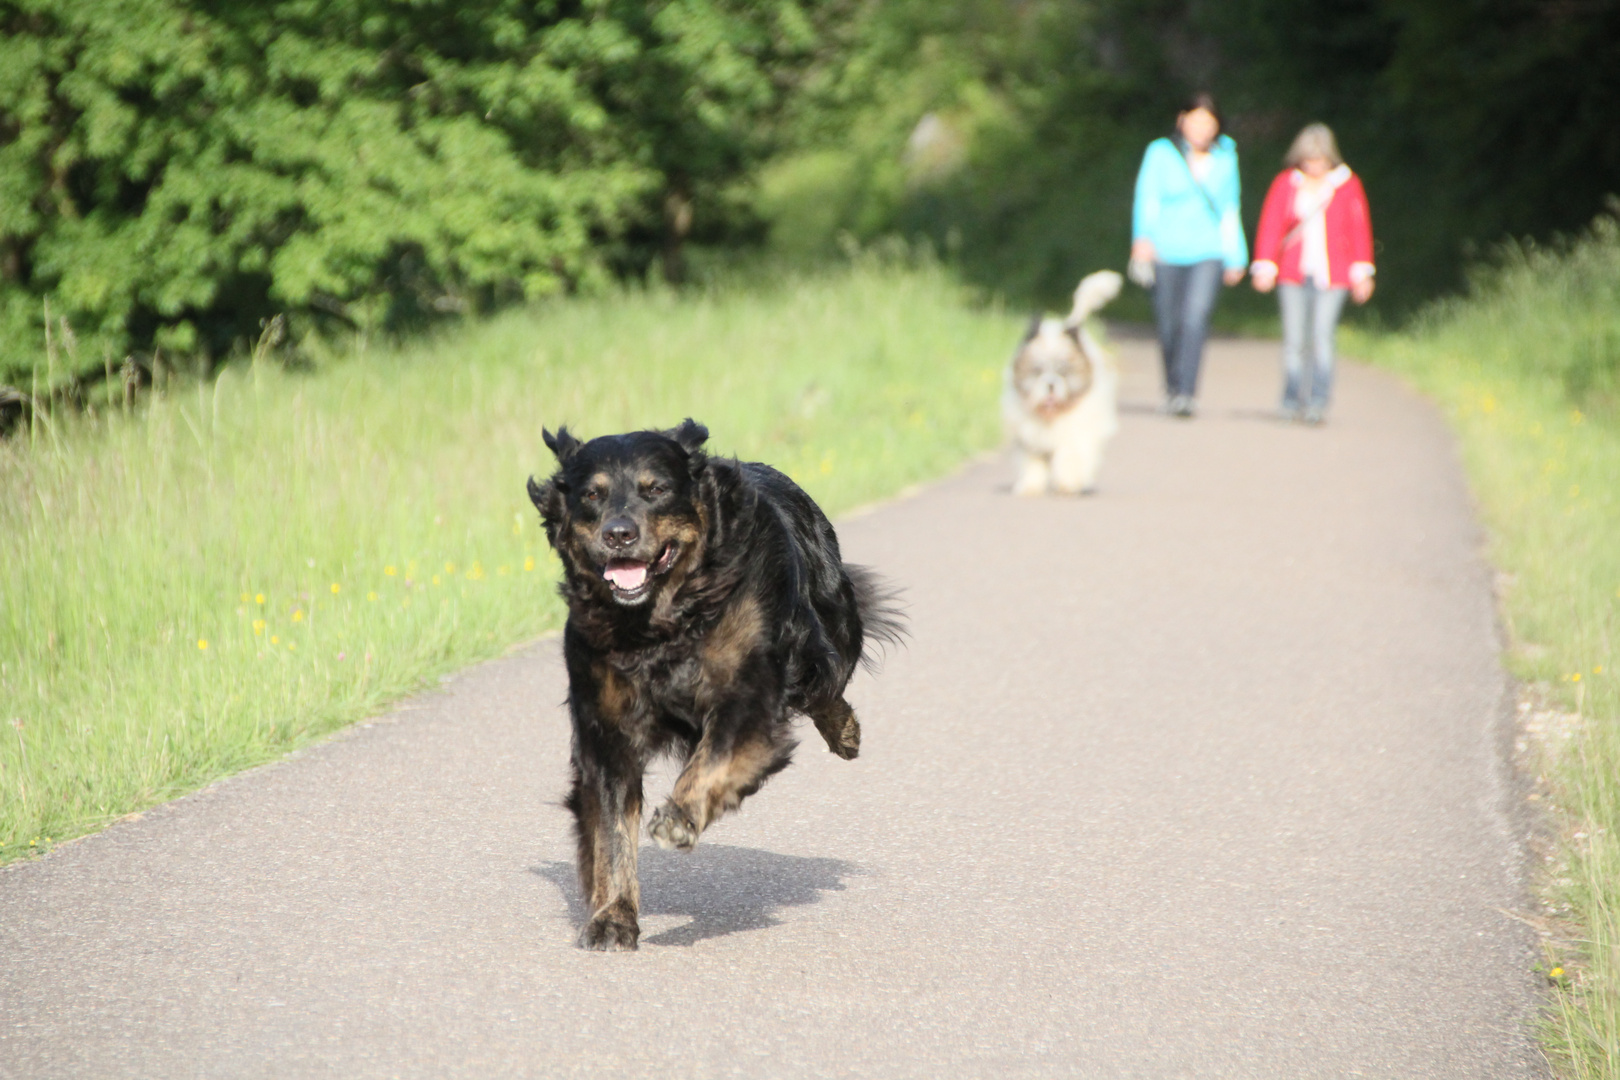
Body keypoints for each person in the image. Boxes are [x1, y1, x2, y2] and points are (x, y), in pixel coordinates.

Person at [1130, 92, 1248, 418]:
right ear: (1181, 120)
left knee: (1195, 318)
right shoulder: (1161, 152)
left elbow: (1229, 208)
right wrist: (1142, 238)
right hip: (1165, 249)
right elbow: (1148, 197)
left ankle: (1186, 393)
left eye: (1208, 123)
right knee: (1169, 323)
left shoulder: (1227, 156)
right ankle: (1172, 385)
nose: (1200, 129)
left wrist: (1236, 255)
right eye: (1194, 120)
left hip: (1208, 250)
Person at [1249, 123, 1375, 425]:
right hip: (1293, 273)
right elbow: (1271, 225)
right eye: (1308, 159)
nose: (1314, 166)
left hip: (1334, 275)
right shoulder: (1286, 184)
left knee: (1321, 337)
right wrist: (1265, 265)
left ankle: (1318, 400)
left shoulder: (1346, 185)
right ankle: (1291, 399)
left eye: (1319, 160)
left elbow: (1359, 229)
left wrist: (1363, 272)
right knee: (1294, 340)